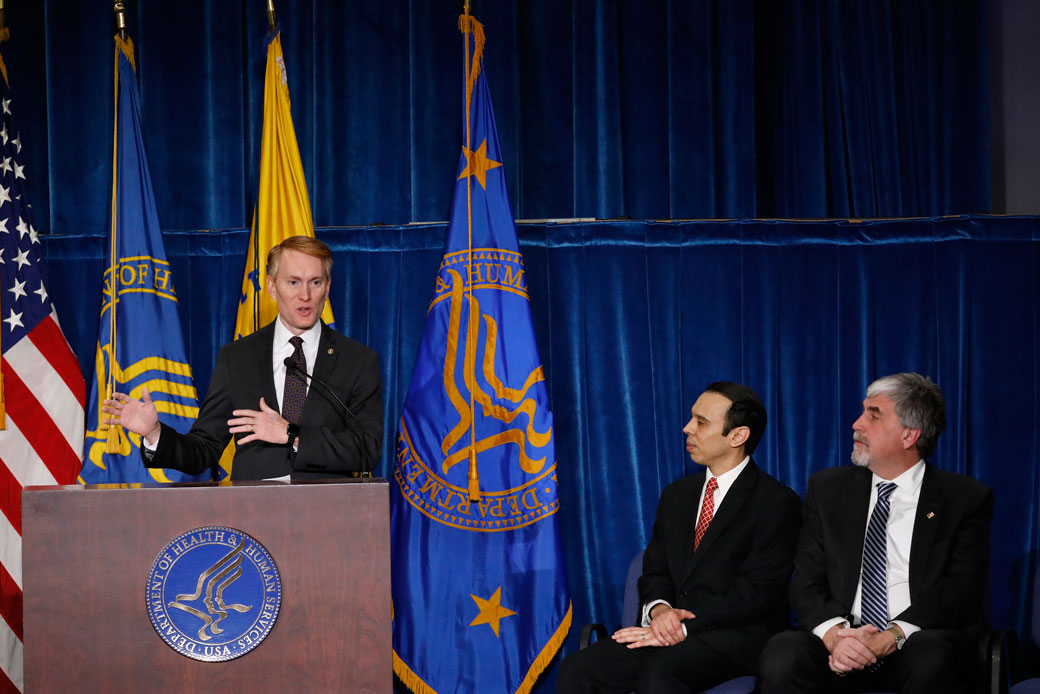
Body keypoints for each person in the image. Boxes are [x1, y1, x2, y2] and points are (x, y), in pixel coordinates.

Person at [557, 382, 801, 694]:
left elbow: (756, 593)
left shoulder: (777, 503)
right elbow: (655, 568)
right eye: (691, 418)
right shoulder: (677, 495)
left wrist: (682, 627)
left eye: (701, 422)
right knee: (580, 668)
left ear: (738, 436)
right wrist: (660, 611)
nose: (687, 428)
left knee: (660, 673)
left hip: (736, 637)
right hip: (668, 630)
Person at [759, 372, 994, 694]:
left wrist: (891, 637)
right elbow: (806, 579)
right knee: (784, 651)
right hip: (841, 643)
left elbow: (960, 589)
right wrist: (835, 636)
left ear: (909, 436)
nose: (857, 424)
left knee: (932, 654)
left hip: (916, 639)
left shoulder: (964, 498)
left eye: (874, 415)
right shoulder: (828, 489)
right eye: (862, 411)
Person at [103, 235, 382, 481]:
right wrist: (154, 434)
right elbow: (203, 450)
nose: (305, 296)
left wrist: (291, 434)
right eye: (293, 282)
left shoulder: (357, 360)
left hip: (331, 516)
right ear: (272, 287)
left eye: (315, 282)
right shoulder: (237, 359)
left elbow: (368, 449)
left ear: (328, 288)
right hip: (254, 517)